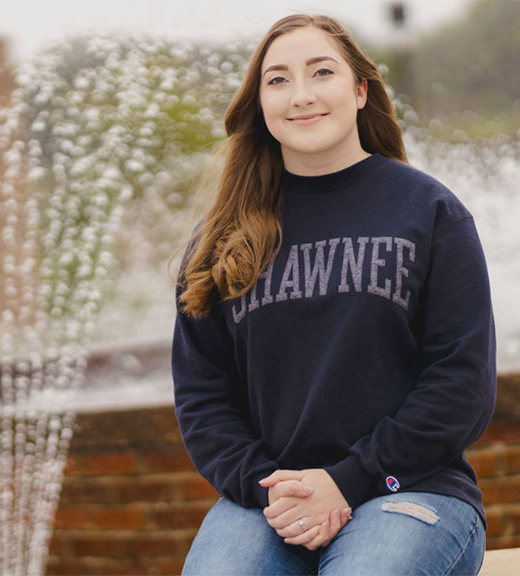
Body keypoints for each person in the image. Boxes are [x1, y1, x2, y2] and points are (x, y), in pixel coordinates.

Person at [171, 13, 497, 576]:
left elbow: (461, 381)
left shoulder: (428, 211)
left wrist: (349, 480)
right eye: (277, 80)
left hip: (409, 489)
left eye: (321, 72)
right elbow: (203, 396)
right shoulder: (221, 240)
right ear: (260, 103)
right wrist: (266, 486)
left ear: (360, 89)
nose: (301, 95)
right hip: (270, 502)